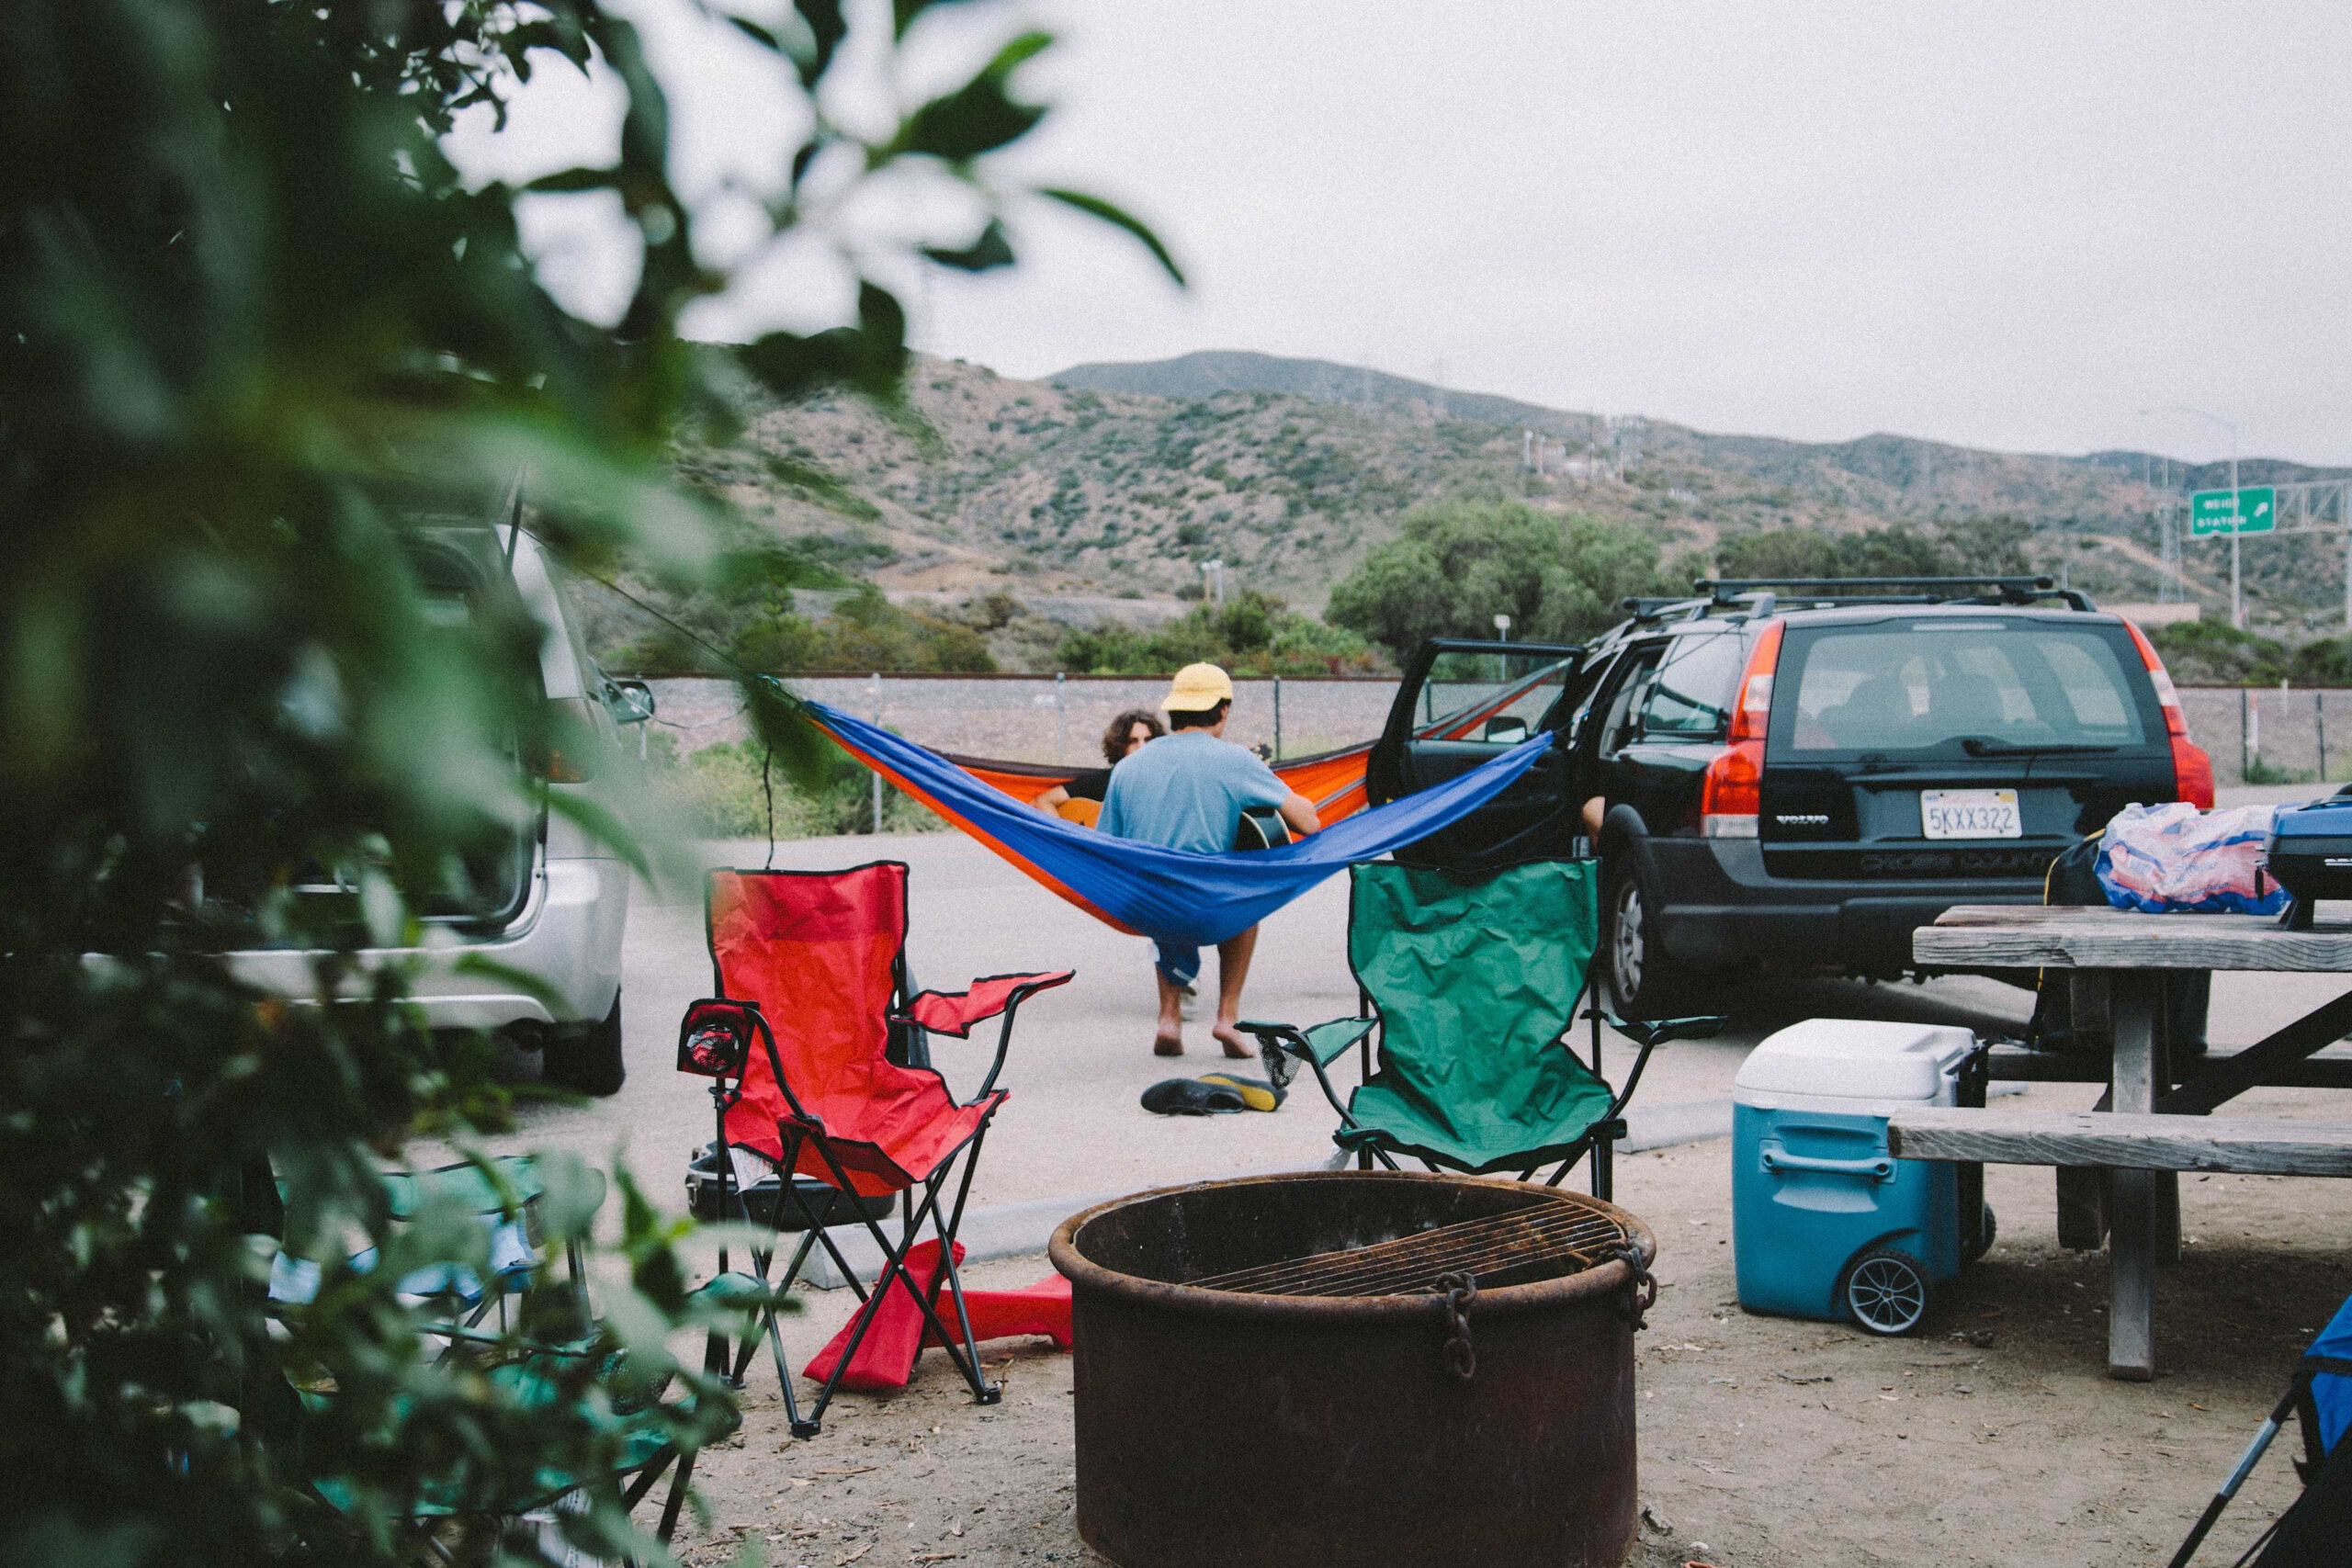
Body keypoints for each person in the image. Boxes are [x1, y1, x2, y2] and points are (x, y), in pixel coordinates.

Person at [1101, 663, 1320, 1058]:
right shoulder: (1236, 761)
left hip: (1147, 910)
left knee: (1158, 882)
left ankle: (1169, 1017)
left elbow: (1106, 848)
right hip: (1210, 912)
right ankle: (1227, 1017)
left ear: (1173, 711)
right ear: (1223, 711)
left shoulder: (1126, 769)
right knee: (1247, 898)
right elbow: (1309, 820)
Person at [1032, 708, 1164, 826]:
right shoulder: (1106, 780)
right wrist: (1067, 837)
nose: (1142, 747)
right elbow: (1042, 802)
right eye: (1133, 741)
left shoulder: (1165, 781)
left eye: (1148, 740)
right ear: (1121, 746)